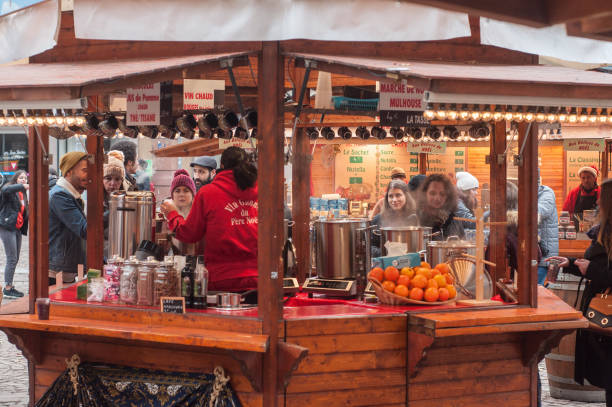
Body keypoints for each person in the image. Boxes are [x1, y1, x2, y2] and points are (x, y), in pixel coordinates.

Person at [547, 178, 612, 407]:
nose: (597, 203)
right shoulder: (604, 230)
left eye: (601, 199)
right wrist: (572, 263)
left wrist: (590, 268)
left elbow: (603, 270)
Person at [161, 147, 258, 292]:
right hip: (258, 277)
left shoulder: (208, 193)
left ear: (222, 167)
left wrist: (172, 214)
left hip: (221, 279)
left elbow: (189, 234)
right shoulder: (261, 190)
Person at [49, 152, 88, 285]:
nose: (89, 175)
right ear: (69, 172)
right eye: (85, 170)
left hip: (67, 267)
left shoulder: (71, 195)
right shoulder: (60, 195)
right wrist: (114, 210)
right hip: (58, 271)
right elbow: (84, 229)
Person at [0, 170, 29, 297]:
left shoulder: (23, 194)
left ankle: (10, 285)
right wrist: (22, 186)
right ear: (16, 179)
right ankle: (7, 287)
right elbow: (5, 190)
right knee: (11, 258)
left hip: (17, 227)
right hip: (7, 226)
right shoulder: (9, 190)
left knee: (15, 258)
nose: (23, 180)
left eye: (25, 178)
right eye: (21, 178)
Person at [370, 180, 417, 256]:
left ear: (406, 196)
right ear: (386, 198)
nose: (394, 200)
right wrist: (387, 254)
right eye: (391, 196)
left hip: (412, 266)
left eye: (398, 195)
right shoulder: (378, 219)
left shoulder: (415, 218)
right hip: (386, 266)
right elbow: (371, 247)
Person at [418, 174, 464, 240]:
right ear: (425, 194)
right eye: (432, 193)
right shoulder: (418, 219)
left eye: (442, 194)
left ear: (448, 196)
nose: (437, 198)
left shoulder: (454, 220)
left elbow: (462, 244)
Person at [537, 174, 559, 285]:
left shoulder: (546, 194)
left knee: (536, 291)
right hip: (538, 255)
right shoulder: (532, 195)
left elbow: (539, 212)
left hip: (543, 256)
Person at [102, 155, 125, 260]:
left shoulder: (126, 201)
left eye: (117, 179)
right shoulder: (93, 201)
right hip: (101, 256)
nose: (113, 183)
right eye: (108, 178)